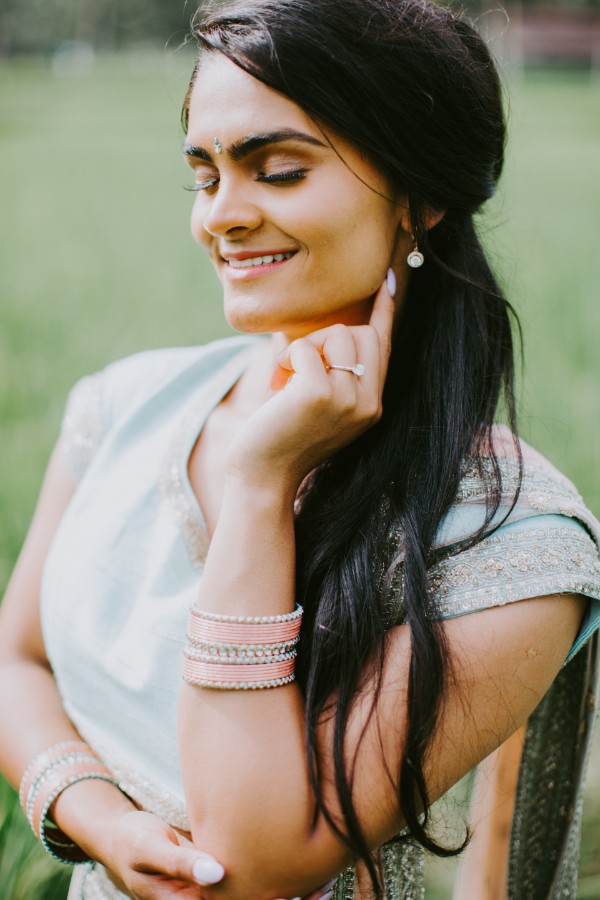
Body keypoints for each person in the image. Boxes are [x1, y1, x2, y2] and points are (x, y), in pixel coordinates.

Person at [0, 1, 599, 898]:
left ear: (422, 197)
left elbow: (249, 866)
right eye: (205, 177)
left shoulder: (517, 547)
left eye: (276, 171)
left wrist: (258, 485)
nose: (222, 218)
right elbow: (17, 658)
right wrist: (95, 813)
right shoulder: (126, 402)